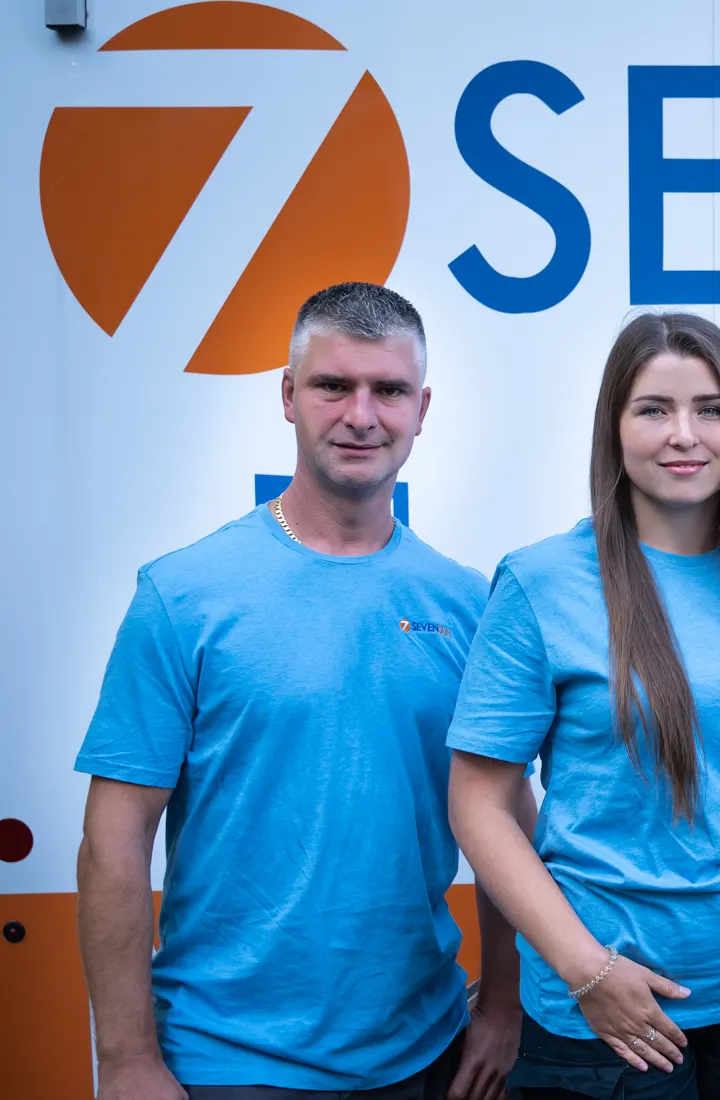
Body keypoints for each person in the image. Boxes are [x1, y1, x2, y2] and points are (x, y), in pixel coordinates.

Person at [74, 282, 525, 1100]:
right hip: (227, 1061)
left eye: (389, 390)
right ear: (288, 395)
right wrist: (128, 1057)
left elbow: (506, 820)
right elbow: (115, 836)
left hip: (426, 1053)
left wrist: (502, 1003)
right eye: (333, 386)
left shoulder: (469, 604)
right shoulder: (183, 595)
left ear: (422, 409)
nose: (362, 415)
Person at [446, 313, 720, 1100]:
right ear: (613, 428)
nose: (685, 434)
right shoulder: (542, 583)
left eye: (710, 410)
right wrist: (586, 969)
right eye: (654, 409)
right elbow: (478, 803)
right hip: (604, 1016)